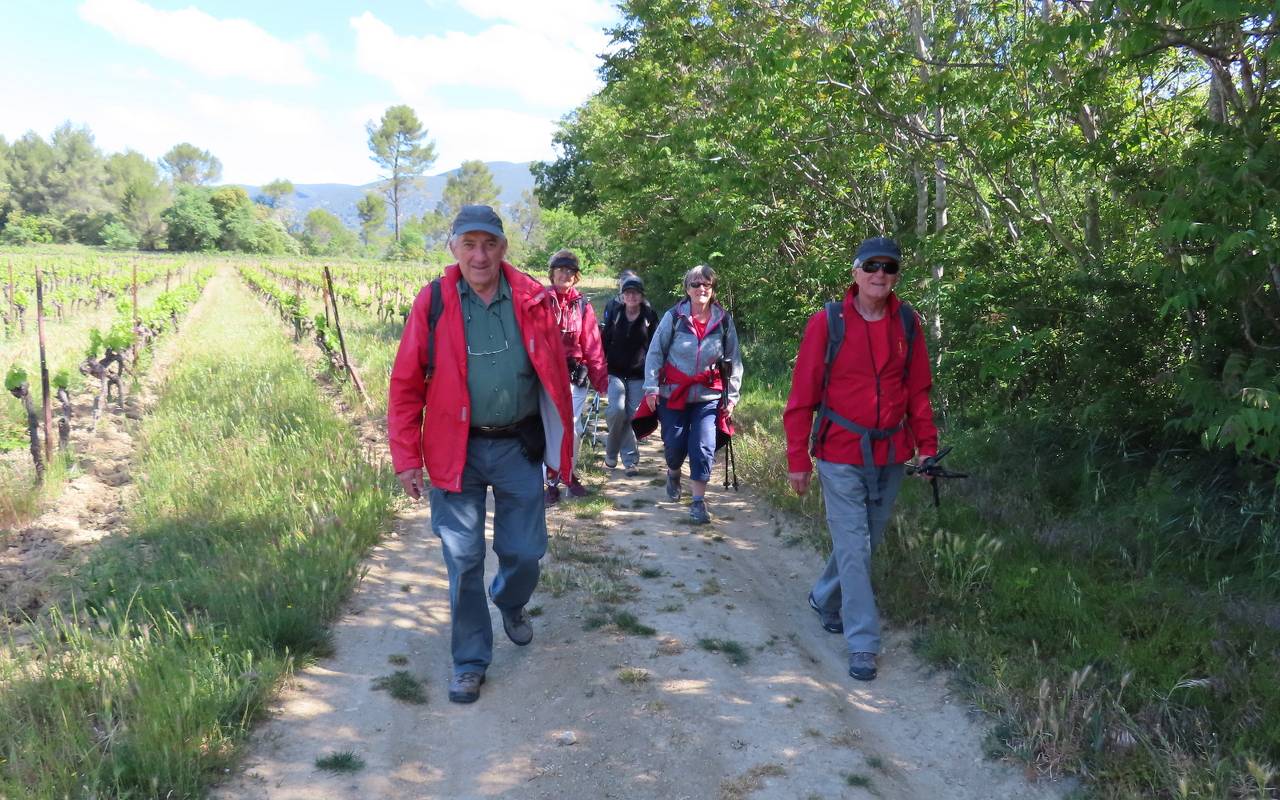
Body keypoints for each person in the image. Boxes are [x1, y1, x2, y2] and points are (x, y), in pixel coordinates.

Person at [387, 205, 575, 704]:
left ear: (503, 248)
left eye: (489, 243)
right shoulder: (433, 303)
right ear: (453, 248)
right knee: (463, 557)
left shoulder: (533, 298)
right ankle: (470, 661)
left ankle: (510, 599)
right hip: (455, 451)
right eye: (469, 244)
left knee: (525, 552)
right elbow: (405, 385)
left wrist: (562, 446)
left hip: (517, 444)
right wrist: (407, 457)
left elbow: (555, 376)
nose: (480, 254)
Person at [782, 236, 937, 682]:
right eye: (871, 266)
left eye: (889, 268)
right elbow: (801, 397)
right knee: (854, 545)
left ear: (896, 277)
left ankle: (823, 596)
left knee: (863, 541)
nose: (880, 275)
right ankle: (863, 642)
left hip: (890, 452)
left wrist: (926, 446)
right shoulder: (826, 323)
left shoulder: (907, 323)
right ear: (855, 272)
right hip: (839, 452)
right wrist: (798, 458)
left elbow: (918, 392)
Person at [643, 265, 742, 524]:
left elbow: (734, 360)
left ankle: (699, 502)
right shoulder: (674, 317)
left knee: (703, 446)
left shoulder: (723, 320)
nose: (701, 289)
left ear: (713, 288)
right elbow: (655, 353)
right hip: (674, 393)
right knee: (674, 446)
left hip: (709, 397)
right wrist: (651, 387)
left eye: (706, 284)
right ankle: (674, 471)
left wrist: (732, 397)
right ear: (686, 289)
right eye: (696, 284)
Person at [544, 249, 608, 504]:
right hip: (546, 376)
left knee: (573, 428)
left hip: (574, 375)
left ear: (576, 276)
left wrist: (600, 379)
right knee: (550, 430)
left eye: (570, 271)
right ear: (552, 274)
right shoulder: (540, 301)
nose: (565, 275)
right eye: (560, 270)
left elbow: (592, 343)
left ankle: (568, 474)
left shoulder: (582, 305)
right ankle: (550, 481)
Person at [602, 274, 658, 476]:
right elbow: (604, 340)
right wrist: (598, 368)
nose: (631, 296)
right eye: (628, 293)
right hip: (615, 372)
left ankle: (611, 452)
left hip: (639, 374)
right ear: (622, 296)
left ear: (641, 296)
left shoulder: (650, 316)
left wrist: (655, 375)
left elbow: (656, 347)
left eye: (635, 293)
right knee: (616, 411)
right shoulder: (615, 313)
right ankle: (630, 459)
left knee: (632, 416)